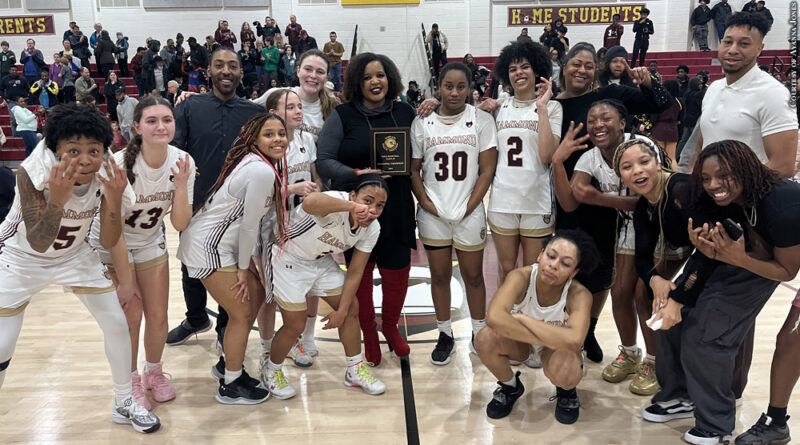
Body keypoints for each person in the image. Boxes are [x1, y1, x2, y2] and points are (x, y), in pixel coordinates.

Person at [0, 103, 160, 433]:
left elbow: (110, 238)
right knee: (3, 343)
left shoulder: (109, 172)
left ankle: (124, 402)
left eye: (93, 150)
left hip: (74, 256)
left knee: (117, 322)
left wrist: (114, 200)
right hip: (20, 259)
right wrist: (57, 202)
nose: (85, 159)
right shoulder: (34, 172)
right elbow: (39, 241)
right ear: (55, 150)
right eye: (73, 150)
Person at [645, 140, 800, 445]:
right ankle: (683, 396)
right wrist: (678, 296)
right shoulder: (722, 198)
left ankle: (717, 424)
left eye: (723, 176)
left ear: (744, 169)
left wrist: (738, 258)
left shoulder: (783, 204)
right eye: (706, 178)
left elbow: (786, 271)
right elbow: (711, 253)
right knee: (674, 320)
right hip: (751, 257)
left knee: (711, 333)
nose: (714, 185)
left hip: (774, 263)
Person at [551, 42, 673, 363]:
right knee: (575, 273)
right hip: (571, 192)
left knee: (607, 278)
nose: (581, 70)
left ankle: (590, 332)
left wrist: (648, 81)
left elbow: (659, 104)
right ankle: (578, 332)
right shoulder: (550, 105)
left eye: (589, 65)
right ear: (563, 66)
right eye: (575, 64)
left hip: (617, 211)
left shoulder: (608, 101)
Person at [89, 96, 195, 410]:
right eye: (152, 121)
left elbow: (179, 222)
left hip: (149, 240)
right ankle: (130, 379)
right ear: (137, 127)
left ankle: (154, 372)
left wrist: (181, 186)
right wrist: (125, 281)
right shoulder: (119, 166)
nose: (161, 126)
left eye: (167, 119)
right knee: (131, 315)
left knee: (159, 317)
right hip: (110, 245)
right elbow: (115, 232)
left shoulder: (182, 160)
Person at [178, 112, 286, 404]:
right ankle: (231, 384)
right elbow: (249, 224)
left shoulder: (256, 163)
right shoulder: (260, 171)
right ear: (254, 138)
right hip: (208, 247)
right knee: (240, 314)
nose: (277, 139)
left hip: (218, 243)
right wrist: (242, 267)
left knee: (257, 293)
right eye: (269, 134)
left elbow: (246, 222)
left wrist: (246, 260)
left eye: (281, 133)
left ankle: (228, 364)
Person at [316, 52, 416, 366]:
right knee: (360, 273)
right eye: (368, 77)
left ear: (391, 79)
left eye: (381, 75)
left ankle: (389, 326)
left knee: (397, 271)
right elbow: (324, 160)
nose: (375, 82)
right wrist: (357, 174)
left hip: (397, 203)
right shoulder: (343, 115)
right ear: (357, 82)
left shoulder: (405, 112)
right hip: (357, 208)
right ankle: (368, 332)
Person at [553, 100, 656, 389]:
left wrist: (600, 199)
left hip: (661, 229)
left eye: (606, 118)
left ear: (622, 122)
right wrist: (558, 162)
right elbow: (569, 203)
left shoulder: (643, 146)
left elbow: (653, 199)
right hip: (629, 231)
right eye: (592, 119)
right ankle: (630, 354)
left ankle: (655, 362)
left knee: (643, 293)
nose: (598, 123)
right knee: (620, 291)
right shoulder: (591, 158)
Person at [167, 48, 264, 348]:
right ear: (208, 71)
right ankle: (196, 317)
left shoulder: (253, 113)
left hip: (236, 209)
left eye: (232, 66)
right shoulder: (188, 107)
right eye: (219, 65)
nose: (226, 71)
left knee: (232, 267)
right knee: (189, 265)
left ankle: (225, 325)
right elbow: (176, 153)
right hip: (196, 204)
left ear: (240, 73)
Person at [262, 177, 390, 399]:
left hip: (318, 260)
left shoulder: (372, 228)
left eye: (380, 205)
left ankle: (354, 370)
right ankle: (271, 371)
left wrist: (341, 312)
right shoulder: (337, 202)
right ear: (352, 196)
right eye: (367, 201)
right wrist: (352, 207)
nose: (373, 210)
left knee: (350, 308)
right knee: (295, 323)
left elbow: (356, 271)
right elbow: (310, 202)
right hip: (285, 255)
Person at [410, 62, 498, 365]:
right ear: (439, 86)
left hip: (469, 211)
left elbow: (487, 169)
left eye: (461, 86)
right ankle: (445, 333)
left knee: (473, 276)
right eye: (449, 86)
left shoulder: (482, 120)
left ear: (470, 87)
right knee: (440, 276)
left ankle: (478, 331)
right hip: (433, 213)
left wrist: (471, 205)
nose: (455, 92)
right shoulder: (423, 122)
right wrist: (426, 202)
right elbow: (414, 170)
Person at [612, 135, 711, 398]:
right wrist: (656, 280)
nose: (637, 171)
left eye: (644, 161)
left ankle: (683, 375)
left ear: (658, 162)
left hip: (723, 257)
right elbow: (642, 259)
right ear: (620, 176)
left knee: (680, 302)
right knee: (644, 290)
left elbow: (710, 250)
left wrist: (679, 293)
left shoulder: (680, 189)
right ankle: (655, 361)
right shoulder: (645, 205)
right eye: (627, 167)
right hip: (696, 254)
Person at [475, 230, 599, 423]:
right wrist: (545, 336)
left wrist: (527, 321)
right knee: (484, 338)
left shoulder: (580, 294)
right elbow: (494, 317)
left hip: (555, 350)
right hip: (523, 343)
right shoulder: (520, 277)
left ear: (574, 272)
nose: (553, 265)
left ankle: (566, 392)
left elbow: (574, 340)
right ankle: (510, 386)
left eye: (565, 264)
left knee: (568, 369)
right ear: (540, 254)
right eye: (550, 256)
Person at [476, 42, 562, 300]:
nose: (519, 73)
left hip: (537, 202)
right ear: (506, 74)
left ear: (537, 71)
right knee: (506, 268)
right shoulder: (499, 107)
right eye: (513, 69)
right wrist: (479, 112)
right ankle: (508, 321)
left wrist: (543, 107)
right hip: (503, 200)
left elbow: (547, 155)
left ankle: (529, 324)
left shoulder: (553, 107)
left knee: (532, 270)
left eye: (525, 67)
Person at [685, 12, 798, 178]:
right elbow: (700, 148)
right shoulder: (714, 88)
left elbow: (783, 166)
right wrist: (692, 183)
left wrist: (731, 187)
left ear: (760, 49)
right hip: (710, 197)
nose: (732, 50)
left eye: (744, 44)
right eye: (728, 42)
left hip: (749, 199)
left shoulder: (774, 93)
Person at [256, 89, 321, 369]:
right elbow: (258, 192)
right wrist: (291, 188)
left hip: (302, 226)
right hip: (270, 226)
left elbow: (315, 176)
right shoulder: (265, 146)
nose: (298, 111)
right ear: (273, 113)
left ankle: (305, 338)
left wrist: (317, 191)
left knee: (311, 284)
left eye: (299, 106)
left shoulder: (307, 139)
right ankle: (268, 348)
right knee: (269, 292)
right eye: (290, 107)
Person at [253, 49, 340, 141]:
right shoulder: (276, 95)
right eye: (308, 69)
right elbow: (244, 110)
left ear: (327, 77)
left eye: (320, 72)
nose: (313, 75)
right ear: (298, 71)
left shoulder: (333, 109)